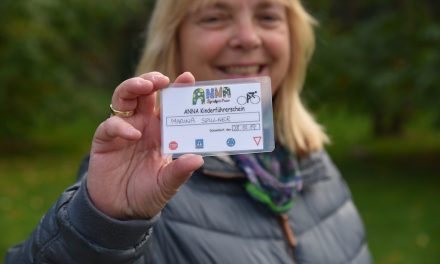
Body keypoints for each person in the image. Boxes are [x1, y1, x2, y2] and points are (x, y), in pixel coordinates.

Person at [5, 0, 372, 263]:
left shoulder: (312, 162)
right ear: (174, 38)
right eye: (214, 17)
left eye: (267, 15)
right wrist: (104, 225)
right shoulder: (137, 177)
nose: (247, 37)